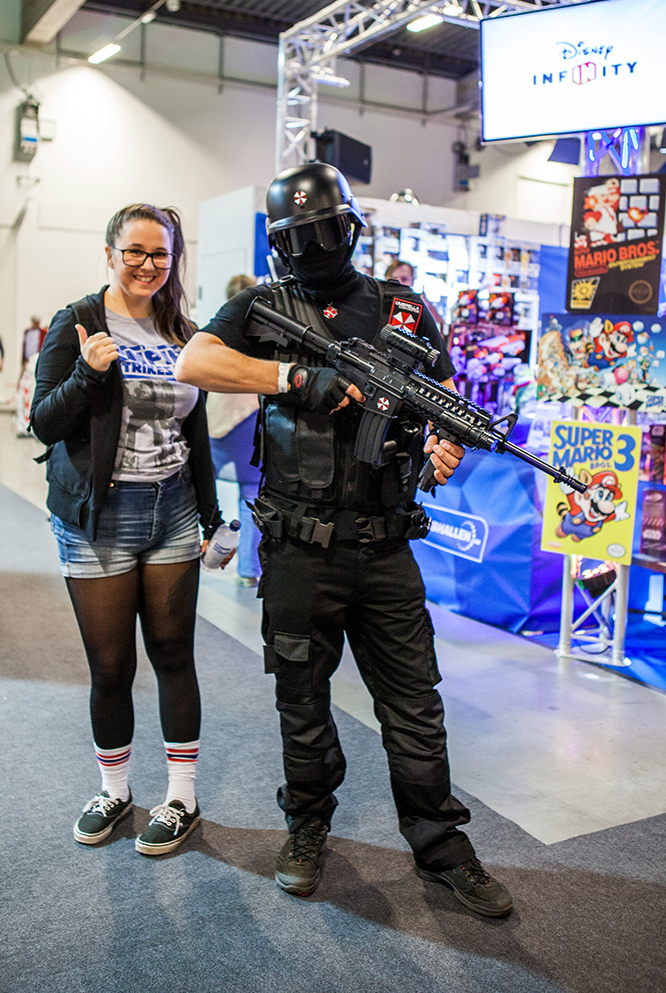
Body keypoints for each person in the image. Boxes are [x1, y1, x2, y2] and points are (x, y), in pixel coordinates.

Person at [175, 163, 513, 918]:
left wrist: (440, 453)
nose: (315, 246)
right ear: (279, 243)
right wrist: (298, 379)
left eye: (325, 231)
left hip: (387, 547)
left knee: (415, 706)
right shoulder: (263, 308)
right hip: (299, 549)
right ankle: (308, 829)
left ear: (351, 229)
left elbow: (440, 415)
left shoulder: (404, 309)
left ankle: (442, 845)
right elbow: (195, 362)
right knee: (301, 700)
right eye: (300, 236)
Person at [30, 203, 230, 857]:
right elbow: (46, 423)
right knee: (111, 667)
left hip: (171, 512)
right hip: (98, 521)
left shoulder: (185, 332)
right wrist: (89, 371)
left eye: (161, 254)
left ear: (174, 259)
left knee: (174, 655)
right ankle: (115, 791)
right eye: (135, 251)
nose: (148, 264)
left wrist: (211, 515)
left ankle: (182, 798)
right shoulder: (77, 322)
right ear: (111, 253)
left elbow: (194, 432)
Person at [205, 274, 262, 586]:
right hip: (247, 419)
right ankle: (249, 571)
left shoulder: (218, 327)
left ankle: (195, 551)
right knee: (251, 495)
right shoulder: (263, 331)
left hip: (217, 418)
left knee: (199, 488)